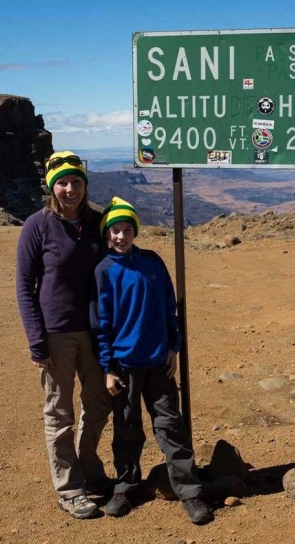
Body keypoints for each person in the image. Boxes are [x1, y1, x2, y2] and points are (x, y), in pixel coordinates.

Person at [94, 197, 214, 525]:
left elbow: (167, 307)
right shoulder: (103, 270)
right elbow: (102, 323)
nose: (121, 236)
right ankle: (125, 485)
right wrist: (107, 367)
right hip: (123, 366)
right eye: (115, 230)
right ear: (107, 234)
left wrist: (173, 347)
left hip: (159, 362)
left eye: (127, 229)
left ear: (135, 231)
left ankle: (189, 492)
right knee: (127, 428)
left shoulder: (152, 262)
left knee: (170, 427)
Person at [15, 151, 113, 519]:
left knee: (100, 404)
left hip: (94, 331)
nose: (70, 189)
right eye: (63, 182)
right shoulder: (36, 226)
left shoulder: (98, 223)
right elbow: (25, 286)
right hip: (55, 333)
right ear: (51, 187)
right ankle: (69, 488)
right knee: (60, 412)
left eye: (76, 182)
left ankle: (88, 466)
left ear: (85, 185)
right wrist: (36, 341)